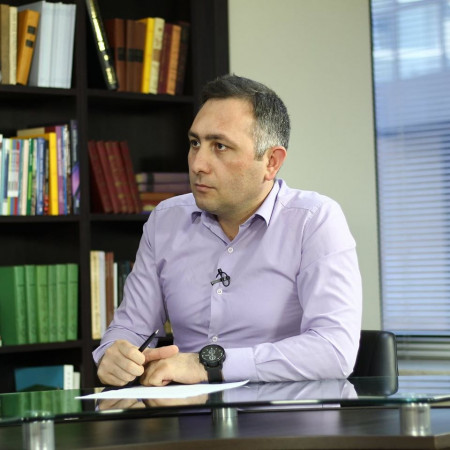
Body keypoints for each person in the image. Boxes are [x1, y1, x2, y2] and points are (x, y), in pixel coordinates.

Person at [93, 74, 362, 387]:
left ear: (271, 162)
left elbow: (334, 350)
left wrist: (208, 365)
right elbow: (131, 328)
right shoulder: (165, 220)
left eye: (220, 146)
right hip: (187, 413)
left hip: (283, 412)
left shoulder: (314, 221)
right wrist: (115, 353)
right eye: (195, 143)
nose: (198, 164)